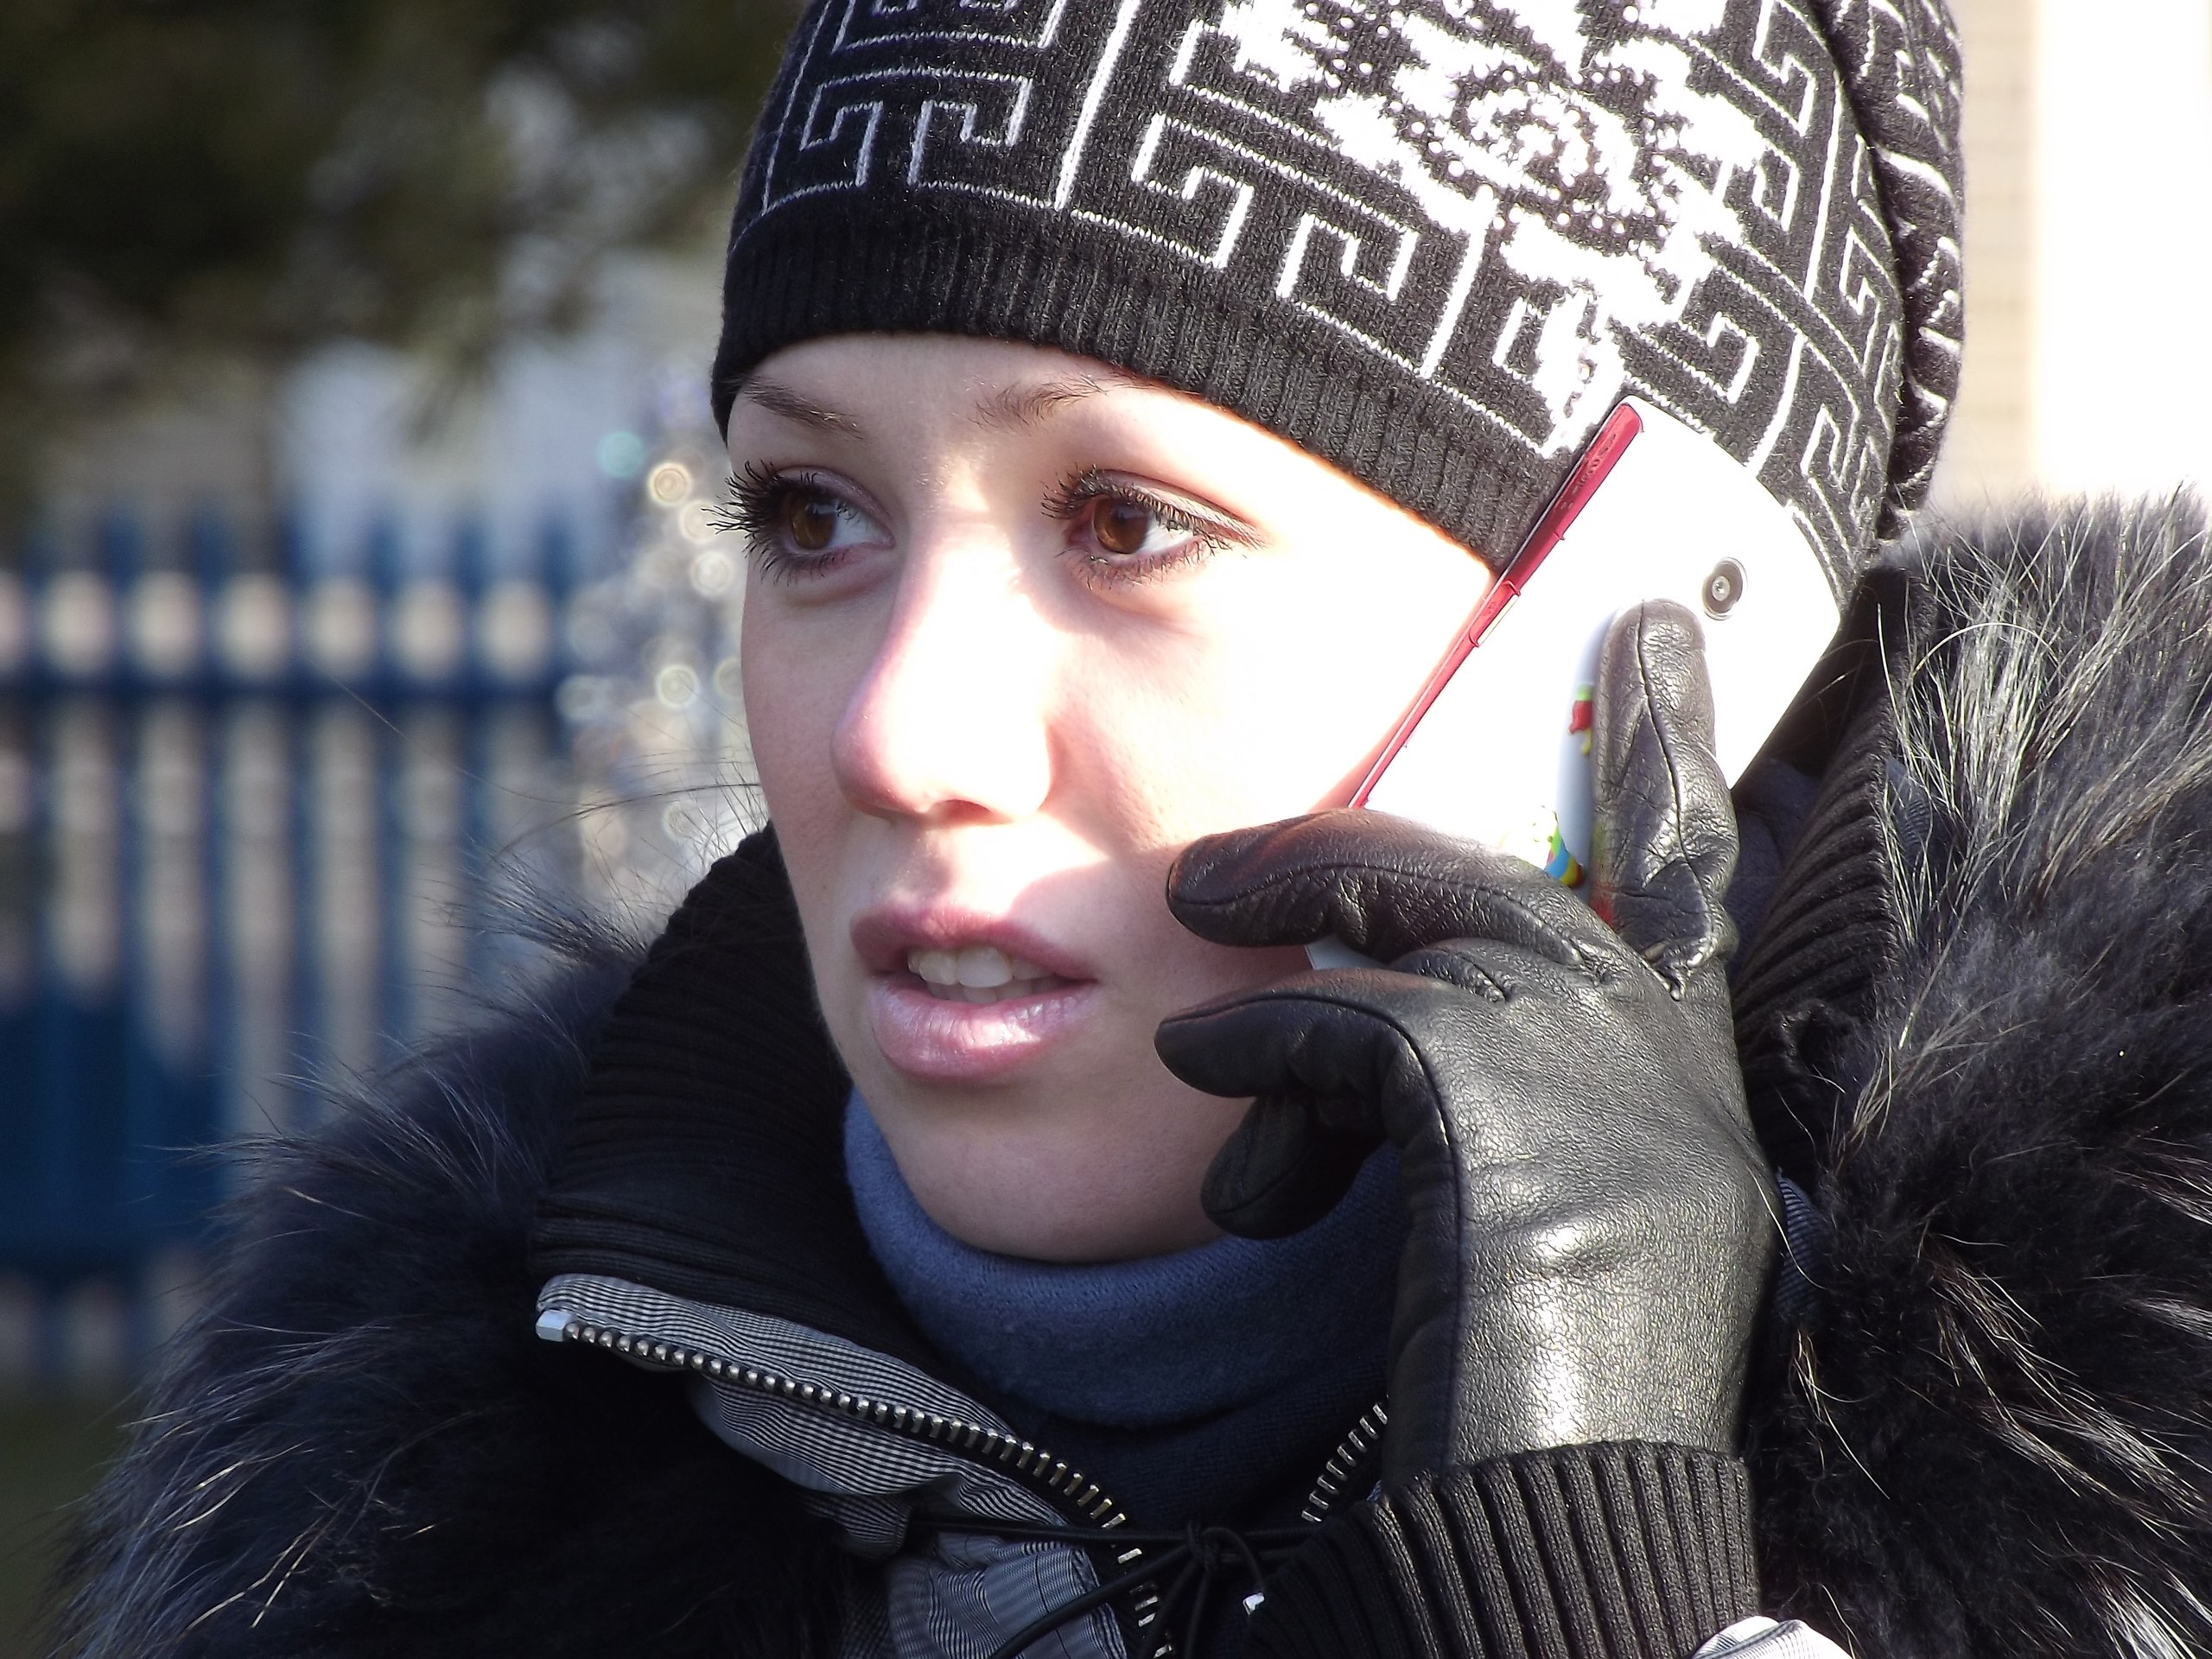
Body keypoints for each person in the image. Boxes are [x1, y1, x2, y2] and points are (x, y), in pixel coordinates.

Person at [44, 3, 2212, 1656]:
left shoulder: (2118, 1463)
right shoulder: (418, 1500)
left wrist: (1592, 1561)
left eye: (1122, 522)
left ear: (1649, 638)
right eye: (808, 514)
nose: (892, 733)